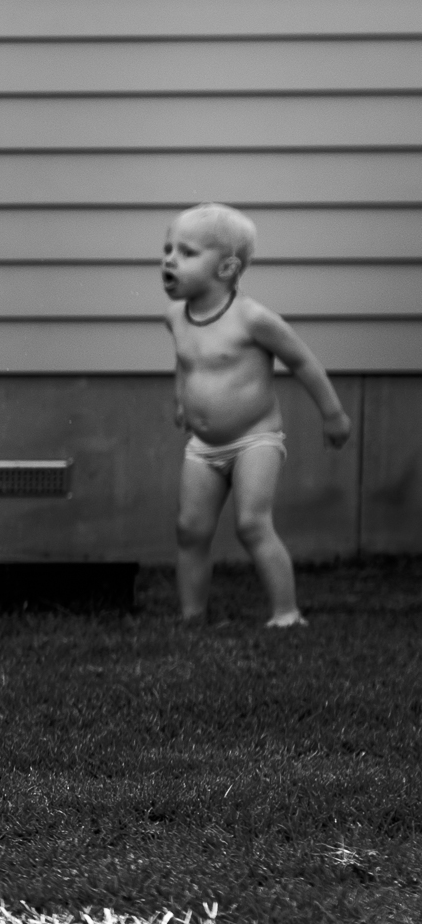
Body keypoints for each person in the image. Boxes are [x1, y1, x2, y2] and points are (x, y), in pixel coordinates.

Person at [161, 202, 351, 626]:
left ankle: (286, 612)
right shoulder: (176, 317)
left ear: (227, 268)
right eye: (167, 248)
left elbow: (302, 362)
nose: (170, 259)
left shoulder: (253, 319)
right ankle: (192, 615)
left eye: (187, 252)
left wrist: (333, 413)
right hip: (203, 447)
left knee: (252, 524)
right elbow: (186, 362)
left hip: (254, 440)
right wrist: (181, 399)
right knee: (189, 529)